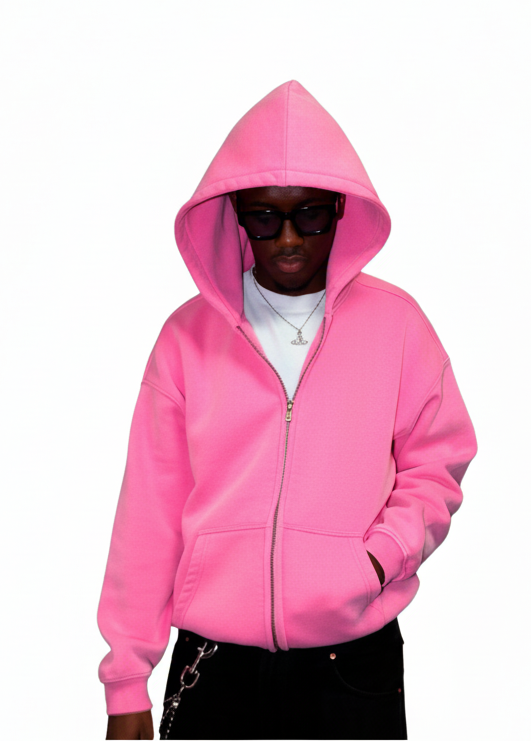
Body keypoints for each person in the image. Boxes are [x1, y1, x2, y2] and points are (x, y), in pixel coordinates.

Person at [97, 80, 478, 740]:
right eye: (266, 218)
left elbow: (438, 463)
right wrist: (128, 678)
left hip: (351, 664)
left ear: (340, 208)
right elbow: (149, 512)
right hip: (214, 665)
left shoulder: (397, 325)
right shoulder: (187, 337)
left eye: (311, 214)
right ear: (237, 216)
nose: (290, 237)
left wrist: (377, 559)